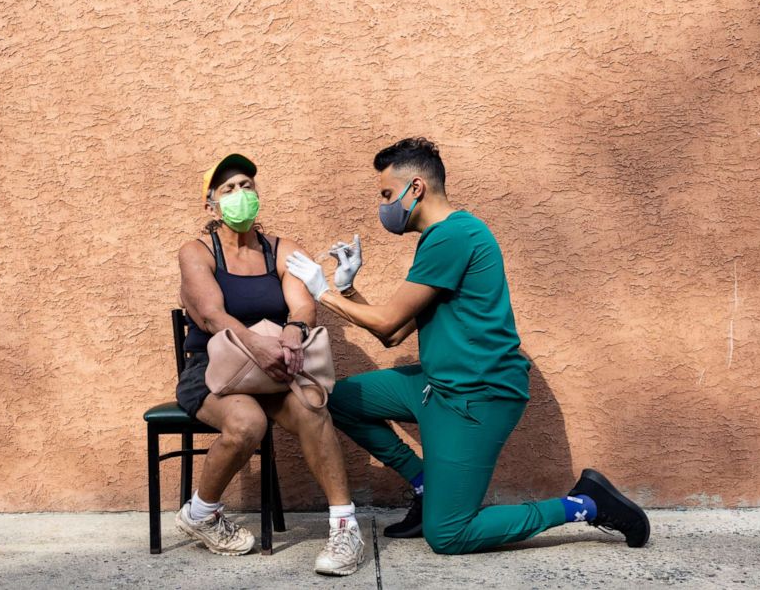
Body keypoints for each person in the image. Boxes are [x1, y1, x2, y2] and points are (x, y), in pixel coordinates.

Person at [285, 137, 650, 555]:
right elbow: (393, 334)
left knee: (450, 534)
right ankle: (426, 486)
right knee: (341, 400)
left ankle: (585, 504)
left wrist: (323, 292)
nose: (384, 205)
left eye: (387, 194)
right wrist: (350, 291)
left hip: (478, 395)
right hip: (437, 387)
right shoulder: (440, 239)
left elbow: (387, 322)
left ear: (416, 188)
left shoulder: (454, 236)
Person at [175, 153, 364, 575]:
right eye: (228, 189)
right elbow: (211, 315)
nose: (240, 194)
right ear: (211, 205)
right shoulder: (197, 252)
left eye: (246, 185)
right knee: (247, 425)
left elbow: (302, 305)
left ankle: (345, 528)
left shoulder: (283, 249)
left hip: (275, 365)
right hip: (213, 368)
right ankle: (201, 513)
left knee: (314, 409)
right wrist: (256, 344)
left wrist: (293, 332)